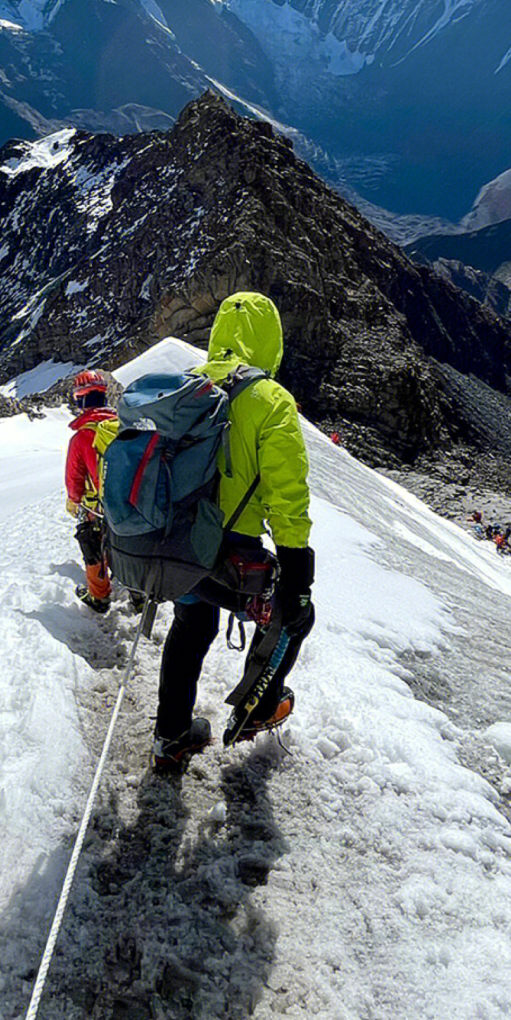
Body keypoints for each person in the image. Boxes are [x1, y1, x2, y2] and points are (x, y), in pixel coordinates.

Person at [152, 292, 314, 772]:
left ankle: (171, 735)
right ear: (270, 340)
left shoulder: (186, 387)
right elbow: (287, 495)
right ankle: (258, 709)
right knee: (293, 617)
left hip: (182, 546)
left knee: (190, 625)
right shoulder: (270, 400)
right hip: (235, 554)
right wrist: (297, 574)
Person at [65, 370, 117, 613]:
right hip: (132, 500)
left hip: (98, 506)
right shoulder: (124, 426)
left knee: (91, 543)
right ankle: (138, 594)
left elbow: (74, 479)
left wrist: (75, 501)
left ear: (81, 400)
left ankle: (99, 596)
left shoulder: (82, 437)